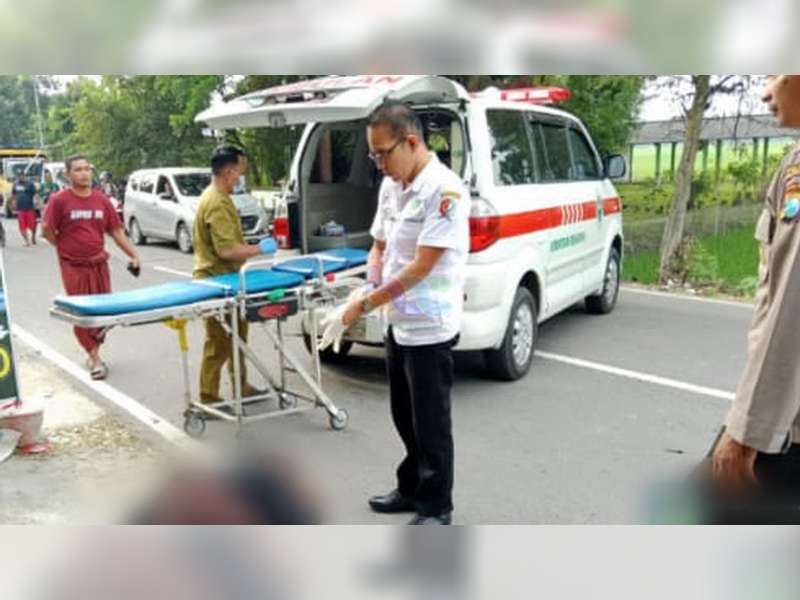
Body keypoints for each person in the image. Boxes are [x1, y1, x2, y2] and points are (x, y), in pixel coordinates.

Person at [325, 101, 469, 525]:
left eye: (382, 153)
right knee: (403, 416)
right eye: (372, 155)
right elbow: (380, 245)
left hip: (430, 325)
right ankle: (410, 488)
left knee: (431, 425)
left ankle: (436, 506)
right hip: (398, 320)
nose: (378, 163)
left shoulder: (444, 191)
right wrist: (367, 286)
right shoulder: (393, 185)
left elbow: (422, 265)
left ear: (411, 141)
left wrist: (364, 305)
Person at [712, 75, 800, 508]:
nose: (765, 91)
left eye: (776, 73)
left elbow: (792, 305)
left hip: (785, 428)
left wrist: (749, 429)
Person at [192, 145, 277, 408]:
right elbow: (227, 250)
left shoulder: (219, 196)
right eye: (239, 173)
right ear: (228, 171)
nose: (241, 179)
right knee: (219, 342)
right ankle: (208, 398)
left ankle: (242, 386)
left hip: (229, 279)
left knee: (237, 337)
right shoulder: (216, 202)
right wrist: (259, 249)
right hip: (216, 281)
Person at [42, 155, 141, 380]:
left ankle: (93, 349)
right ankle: (95, 358)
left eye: (87, 169)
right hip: (73, 266)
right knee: (82, 311)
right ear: (68, 174)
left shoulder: (102, 200)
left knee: (102, 311)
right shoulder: (59, 201)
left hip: (99, 263)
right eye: (78, 170)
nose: (84, 173)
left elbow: (116, 232)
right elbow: (47, 230)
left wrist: (133, 255)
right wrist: (63, 246)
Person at [11, 172, 38, 246]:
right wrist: (13, 204)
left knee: (33, 225)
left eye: (23, 176)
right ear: (18, 177)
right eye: (20, 176)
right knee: (22, 226)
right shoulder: (15, 184)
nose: (22, 177)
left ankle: (33, 236)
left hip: (30, 207)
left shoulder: (30, 184)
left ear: (25, 176)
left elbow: (35, 194)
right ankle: (27, 241)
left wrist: (37, 202)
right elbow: (13, 195)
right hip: (20, 208)